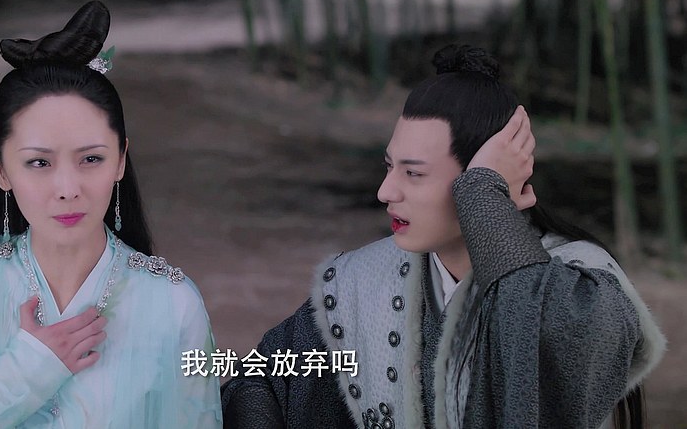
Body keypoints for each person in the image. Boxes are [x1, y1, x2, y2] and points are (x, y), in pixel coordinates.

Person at [220, 45, 666, 429]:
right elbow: (263, 381)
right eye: (389, 167)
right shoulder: (365, 278)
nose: (386, 191)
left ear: (490, 179)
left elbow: (550, 346)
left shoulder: (581, 289)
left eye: (413, 173)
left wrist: (484, 197)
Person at [0, 1, 222, 428]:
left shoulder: (173, 304)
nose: (67, 188)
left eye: (91, 159)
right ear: (1, 169)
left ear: (121, 160)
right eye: (39, 162)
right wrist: (27, 372)